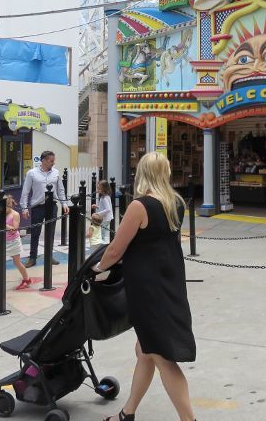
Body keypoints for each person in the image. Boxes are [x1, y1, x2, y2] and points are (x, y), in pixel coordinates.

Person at [95, 152, 196, 421]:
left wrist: (97, 270)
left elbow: (115, 250)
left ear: (143, 173)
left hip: (147, 289)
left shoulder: (139, 206)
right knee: (144, 351)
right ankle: (127, 413)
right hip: (170, 282)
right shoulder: (176, 203)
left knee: (161, 356)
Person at [19, 151, 69, 268]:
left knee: (50, 233)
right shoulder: (32, 173)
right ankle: (32, 257)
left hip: (52, 206)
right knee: (35, 233)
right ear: (43, 160)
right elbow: (25, 191)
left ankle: (49, 256)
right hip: (37, 207)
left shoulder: (56, 173)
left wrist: (64, 203)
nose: (53, 163)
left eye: (53, 160)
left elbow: (61, 190)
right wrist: (24, 208)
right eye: (51, 161)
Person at [91, 180, 114, 244]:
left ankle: (103, 245)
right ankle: (103, 244)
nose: (97, 190)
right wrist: (97, 207)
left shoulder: (105, 198)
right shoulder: (105, 197)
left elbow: (108, 209)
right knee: (103, 233)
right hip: (106, 218)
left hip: (105, 218)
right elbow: (104, 207)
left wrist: (98, 214)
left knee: (102, 233)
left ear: (104, 189)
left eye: (99, 189)